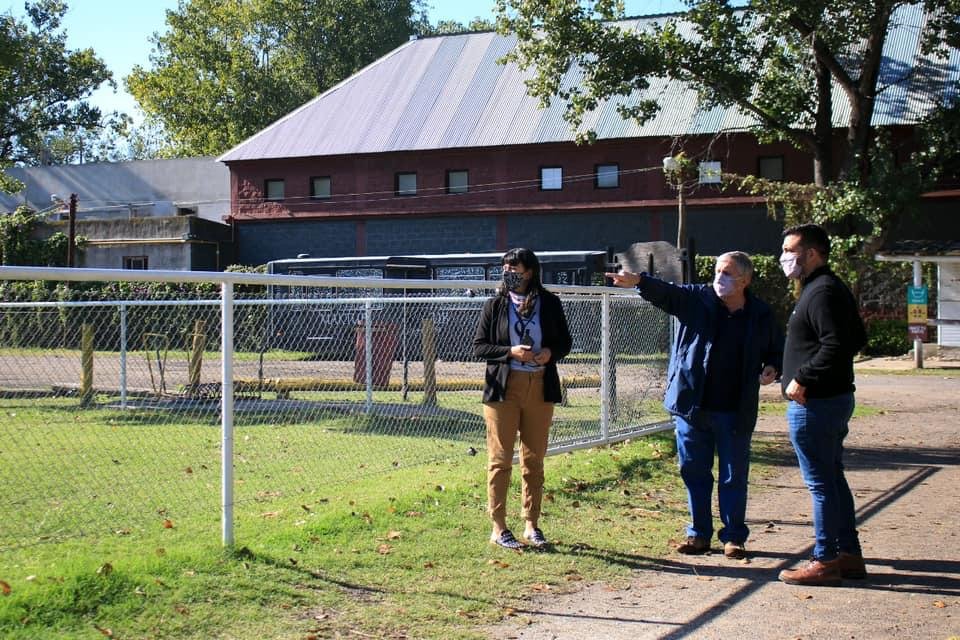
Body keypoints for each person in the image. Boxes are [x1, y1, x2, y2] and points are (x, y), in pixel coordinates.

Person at [607, 252, 782, 559]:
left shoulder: (760, 314)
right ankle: (698, 534)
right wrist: (639, 281)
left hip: (735, 410)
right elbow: (667, 293)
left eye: (727, 273)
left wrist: (772, 367)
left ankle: (733, 537)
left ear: (745, 280)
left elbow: (775, 349)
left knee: (733, 475)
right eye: (717, 271)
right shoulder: (697, 300)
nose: (719, 278)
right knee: (694, 471)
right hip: (692, 406)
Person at [777, 223, 868, 586]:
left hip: (816, 404)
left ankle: (825, 558)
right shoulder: (824, 288)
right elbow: (856, 336)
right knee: (831, 476)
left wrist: (803, 377)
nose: (784, 257)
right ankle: (848, 554)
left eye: (790, 251)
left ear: (812, 253)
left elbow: (839, 342)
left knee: (821, 483)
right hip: (829, 401)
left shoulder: (822, 291)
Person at [473, 248, 572, 550]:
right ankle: (499, 527)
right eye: (504, 267)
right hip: (504, 388)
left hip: (539, 387)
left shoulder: (550, 303)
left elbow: (565, 342)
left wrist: (549, 353)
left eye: (513, 268)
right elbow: (479, 347)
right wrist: (510, 352)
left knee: (533, 460)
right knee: (500, 459)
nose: (508, 272)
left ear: (529, 272)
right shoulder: (495, 305)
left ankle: (531, 524)